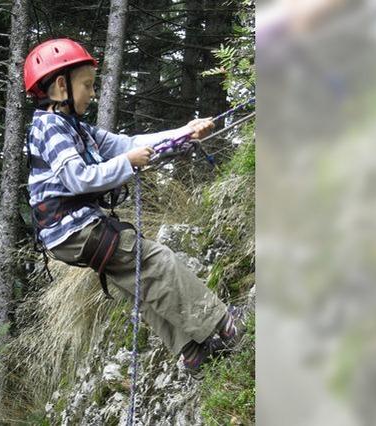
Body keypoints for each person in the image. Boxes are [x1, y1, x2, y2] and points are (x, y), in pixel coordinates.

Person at [24, 38, 244, 377]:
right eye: (87, 85)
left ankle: (193, 352)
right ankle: (224, 324)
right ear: (59, 86)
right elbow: (78, 178)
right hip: (74, 228)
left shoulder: (77, 129)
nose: (93, 93)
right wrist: (127, 163)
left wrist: (185, 133)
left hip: (72, 232)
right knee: (156, 261)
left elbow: (129, 144)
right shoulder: (49, 127)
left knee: (139, 281)